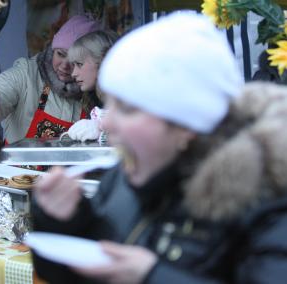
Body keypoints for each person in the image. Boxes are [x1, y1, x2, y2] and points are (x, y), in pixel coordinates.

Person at [31, 12, 287, 283]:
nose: (108, 124)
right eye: (112, 104)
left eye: (128, 109)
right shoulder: (123, 180)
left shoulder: (264, 202)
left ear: (186, 125)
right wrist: (63, 222)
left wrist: (151, 276)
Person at [0, 15, 100, 144]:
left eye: (74, 61)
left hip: (68, 172)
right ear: (52, 49)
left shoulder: (95, 92)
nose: (64, 65)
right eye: (60, 54)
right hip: (19, 171)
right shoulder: (27, 73)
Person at [64, 30, 118, 142]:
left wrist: (100, 129)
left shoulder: (127, 98)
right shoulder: (93, 98)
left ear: (103, 62)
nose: (73, 74)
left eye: (79, 64)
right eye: (73, 66)